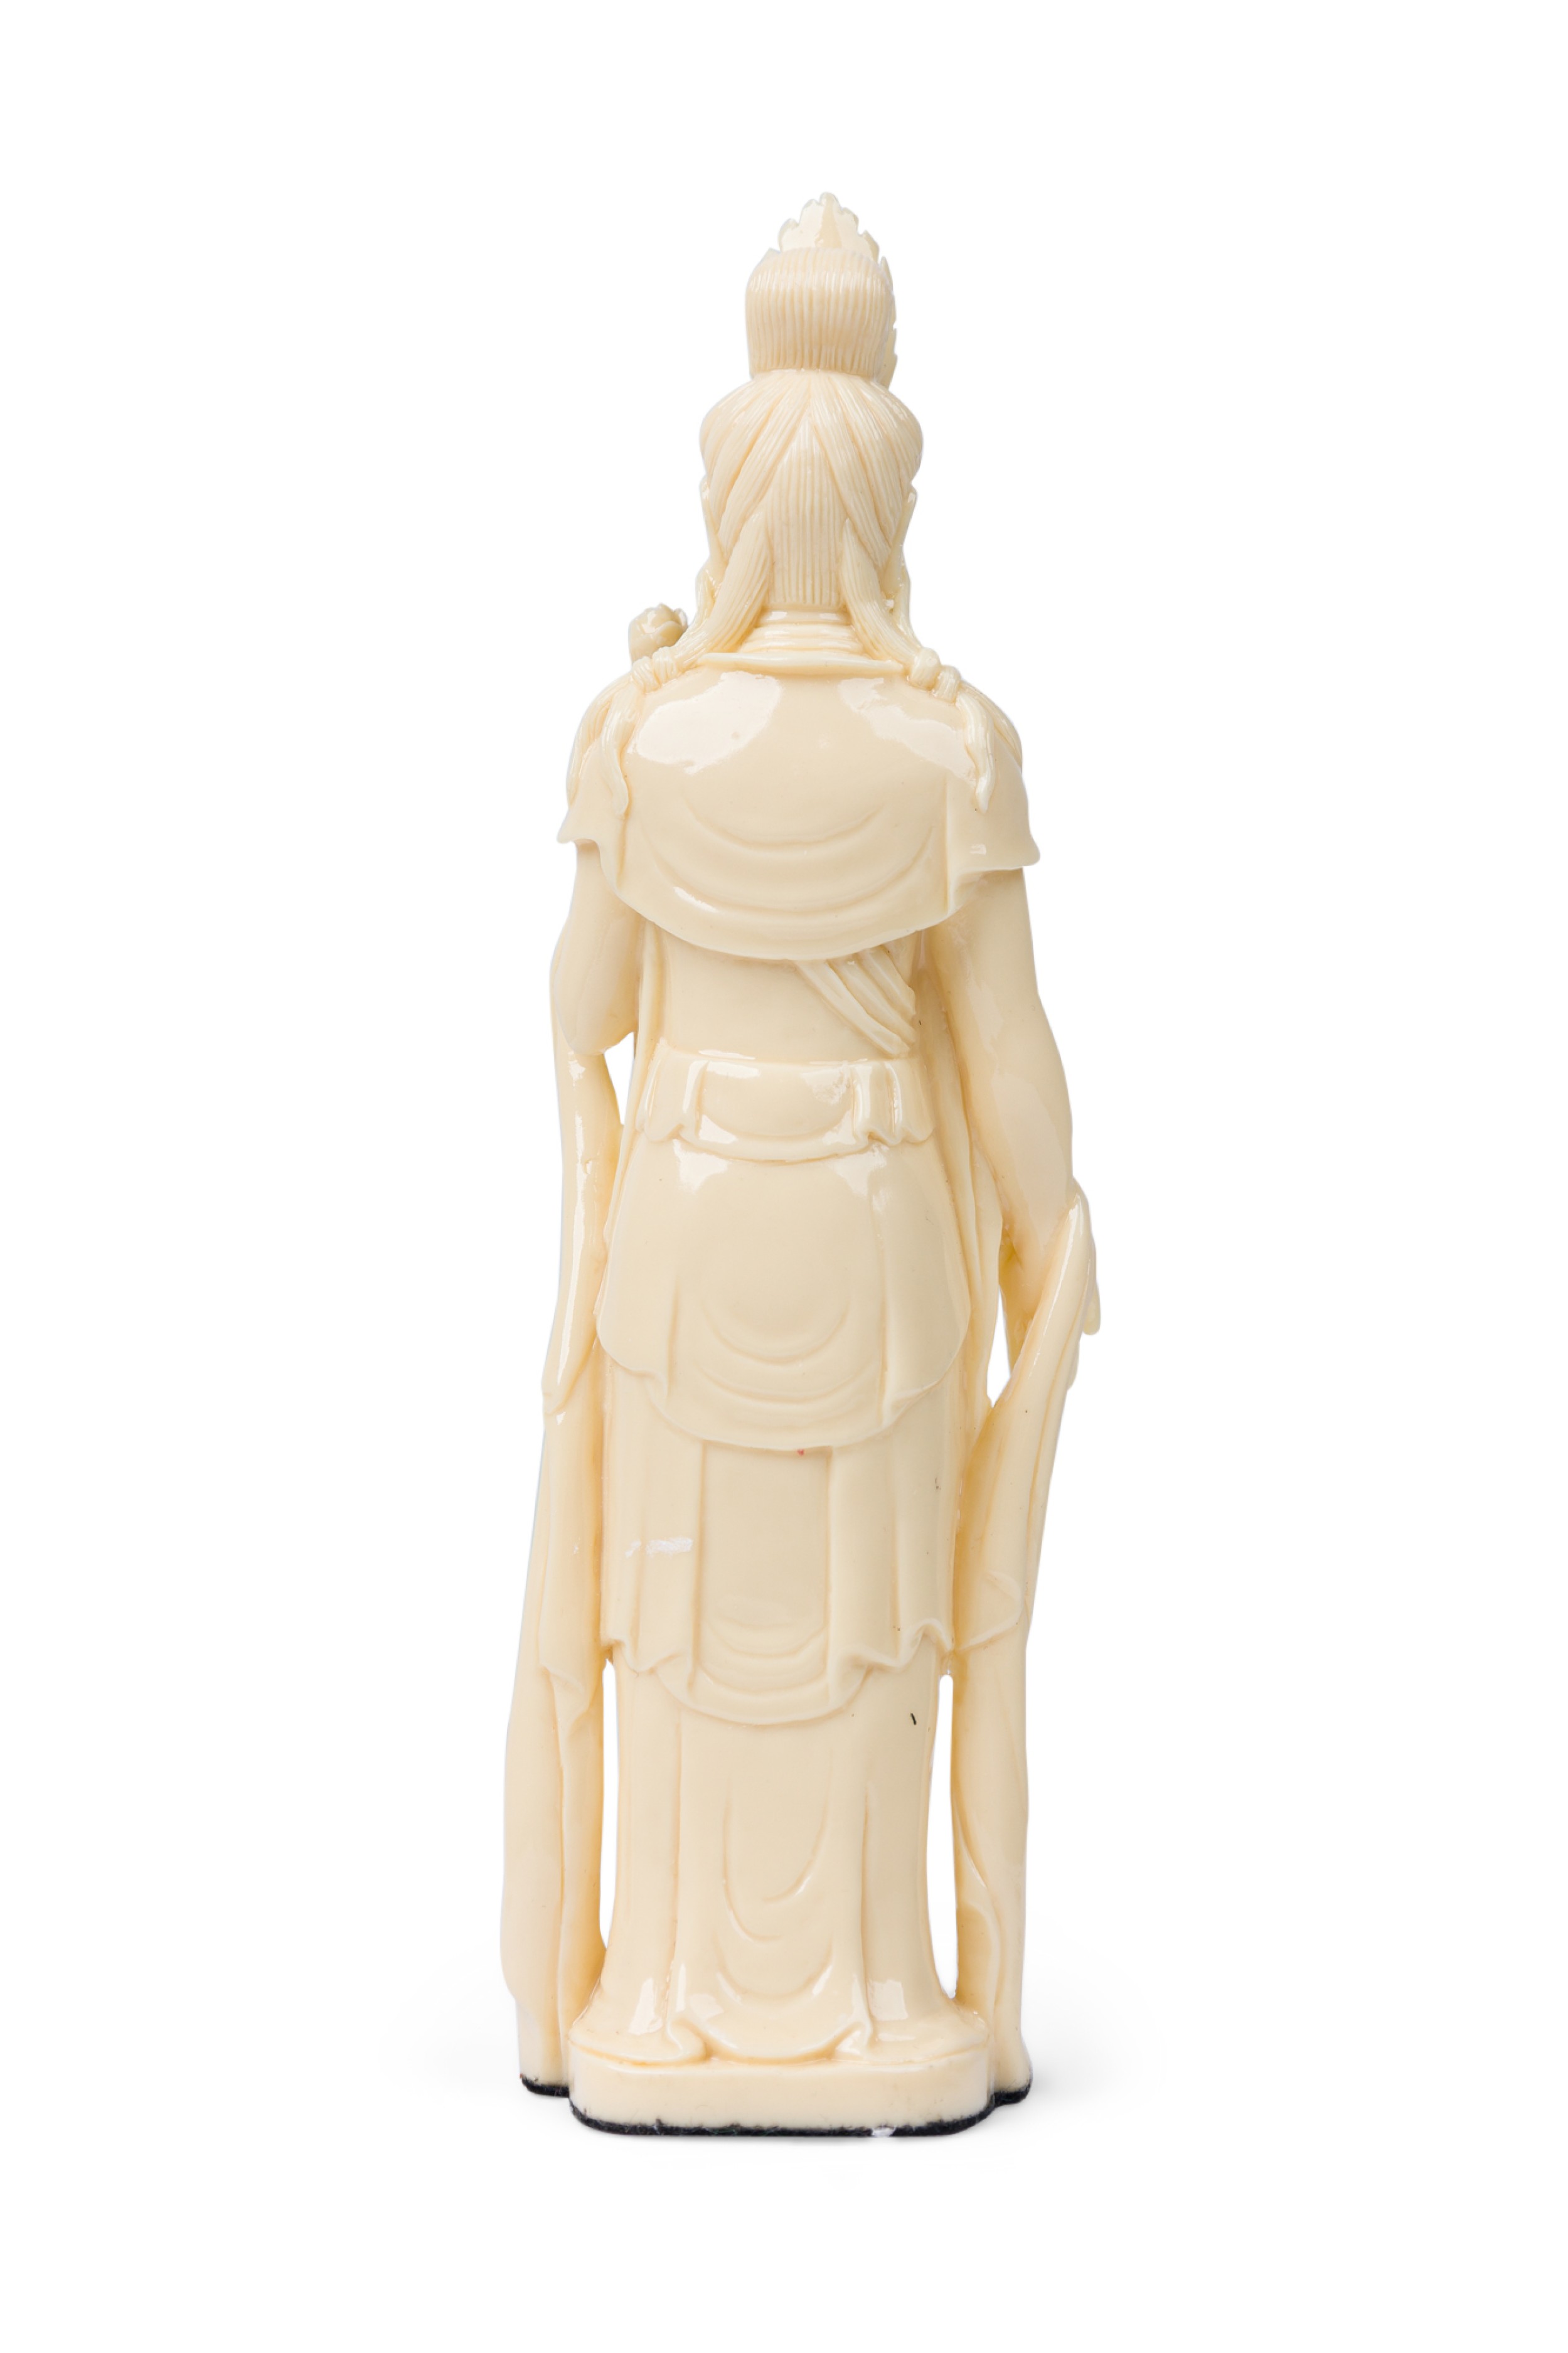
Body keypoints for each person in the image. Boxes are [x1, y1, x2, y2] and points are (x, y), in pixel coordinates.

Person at [503, 196, 1097, 2134]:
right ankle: (873, 1995)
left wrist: (624, 743)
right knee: (874, 1614)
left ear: (732, 499)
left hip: (685, 1228)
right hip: (873, 1229)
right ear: (887, 505)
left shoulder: (646, 734)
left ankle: (661, 1995)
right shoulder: (951, 749)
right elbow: (1006, 1057)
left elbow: (585, 1005)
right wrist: (1056, 1234)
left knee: (677, 1621)